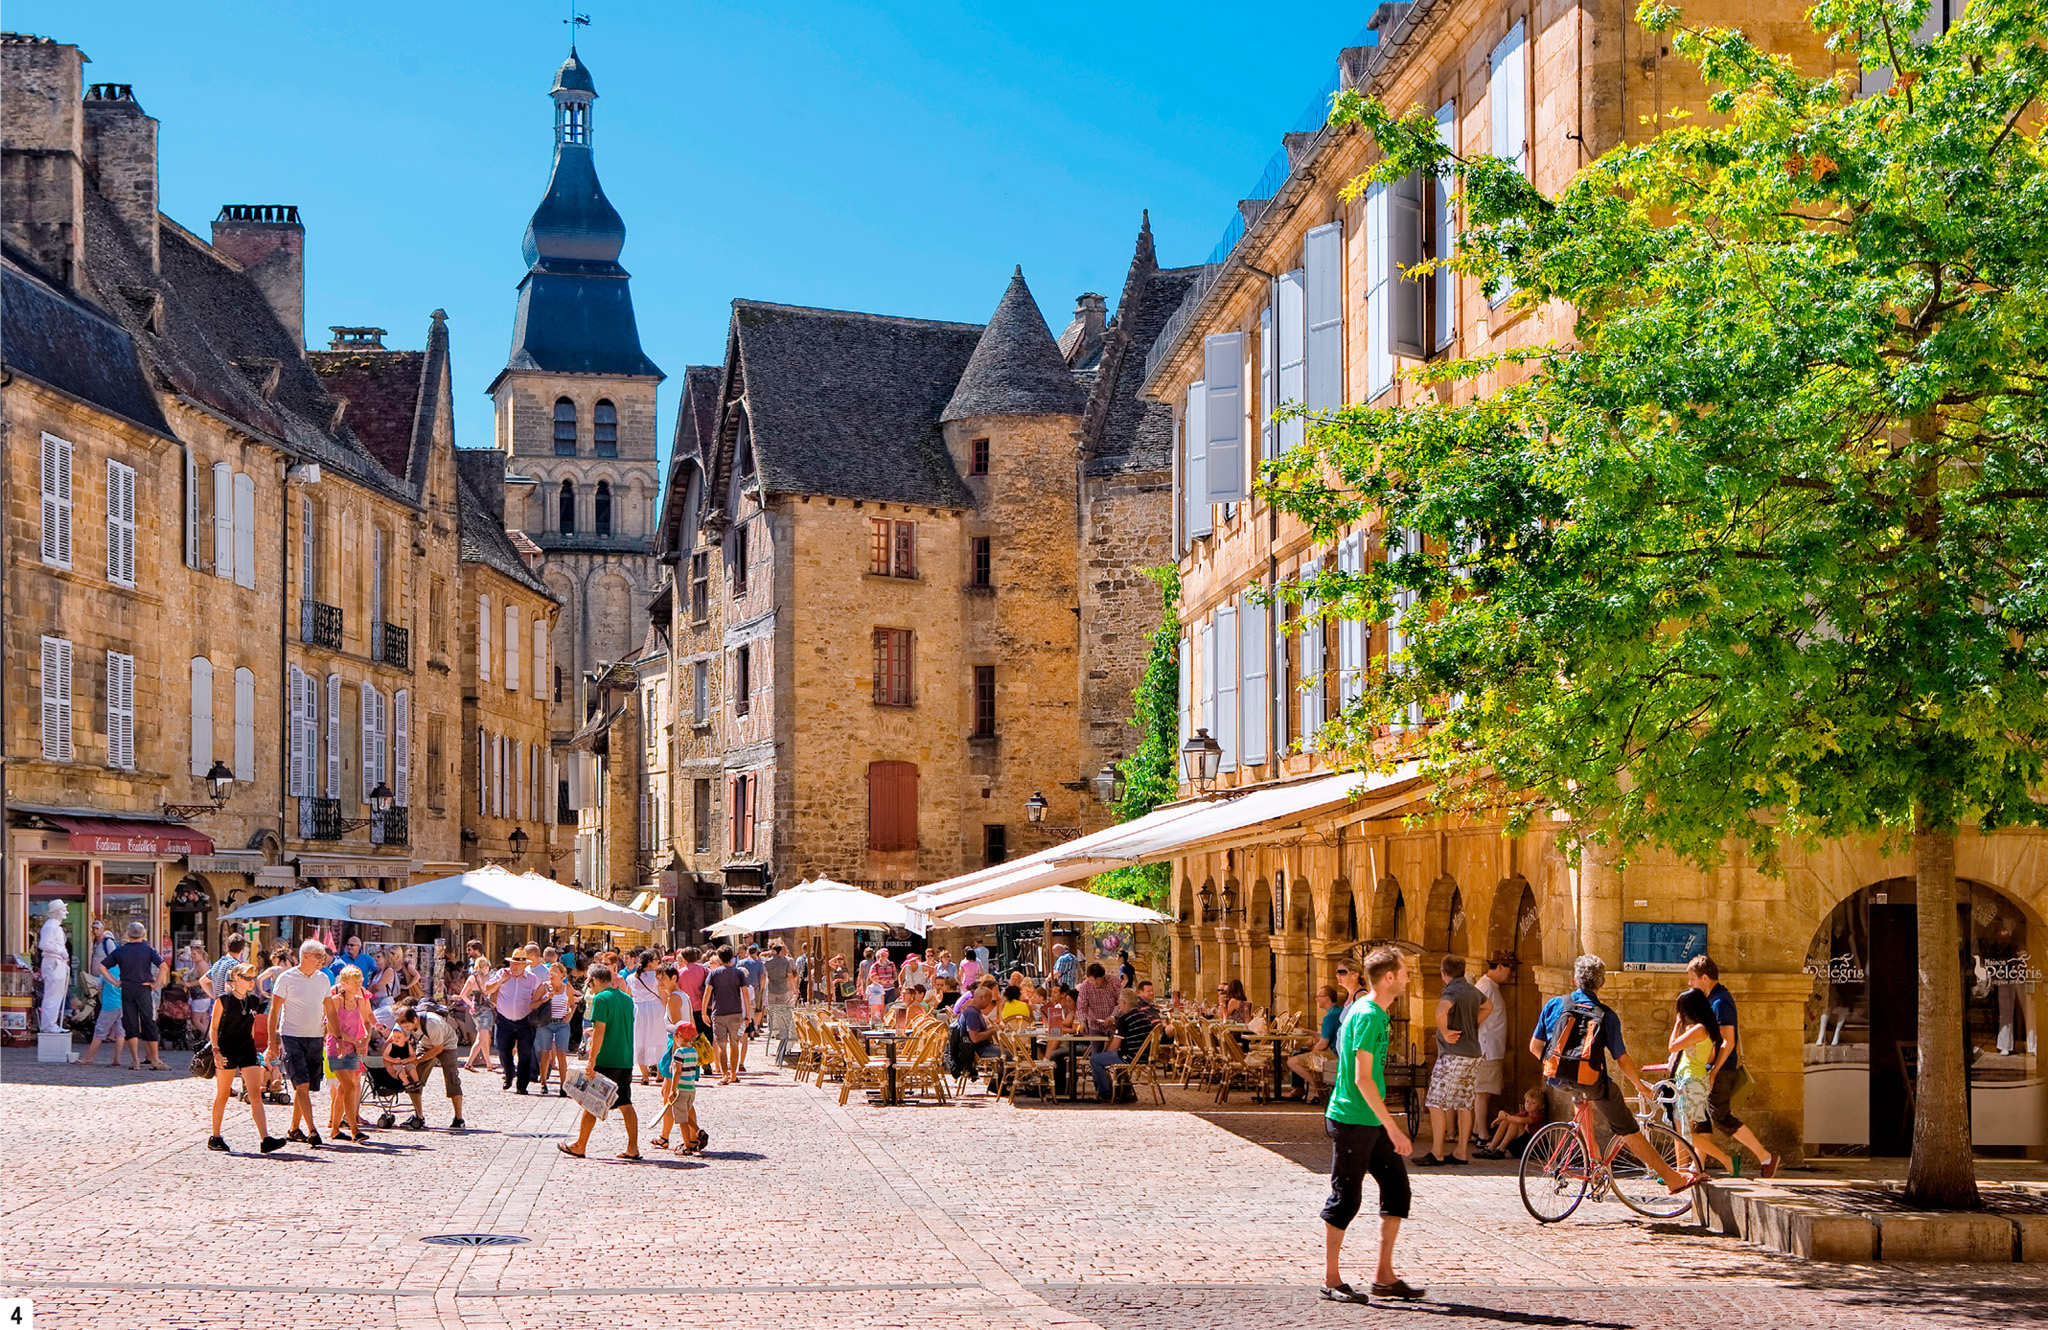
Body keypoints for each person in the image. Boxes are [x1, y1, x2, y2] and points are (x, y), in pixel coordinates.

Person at [1529, 955, 1698, 1196]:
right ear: (1602, 983)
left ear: (1575, 979)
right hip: (1591, 1081)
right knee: (1627, 1128)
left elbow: (1535, 1047)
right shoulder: (1606, 1015)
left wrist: (1559, 1066)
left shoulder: (1555, 1004)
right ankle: (1672, 1179)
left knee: (1579, 1094)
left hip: (1557, 1079)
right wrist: (1640, 1086)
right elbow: (1622, 1058)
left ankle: (1592, 1153)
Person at [1320, 946, 1423, 1306]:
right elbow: (1363, 1079)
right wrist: (1393, 1128)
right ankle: (1331, 1278)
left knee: (1397, 1190)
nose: (1409, 977)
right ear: (1390, 977)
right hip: (1352, 1120)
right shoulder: (1368, 1015)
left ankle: (1384, 1276)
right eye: (1405, 971)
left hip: (1369, 1121)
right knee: (1346, 1199)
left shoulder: (1374, 1012)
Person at [1686, 955, 1780, 1177]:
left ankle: (1765, 1156)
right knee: (1703, 1117)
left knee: (1721, 1117)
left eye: (1692, 979)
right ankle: (1696, 1165)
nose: (1690, 983)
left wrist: (1714, 1071)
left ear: (1705, 978)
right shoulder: (1713, 999)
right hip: (1712, 1069)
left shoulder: (1721, 1002)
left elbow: (1728, 1041)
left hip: (1721, 1069)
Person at [1641, 986, 1733, 1172]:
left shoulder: (1699, 1029)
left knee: (1686, 1133)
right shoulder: (1705, 1029)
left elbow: (1672, 1046)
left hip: (1691, 1082)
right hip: (1692, 1081)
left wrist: (1677, 1024)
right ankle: (1686, 1169)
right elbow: (1709, 1056)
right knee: (1683, 1129)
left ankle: (1724, 1159)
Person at [559, 963, 639, 1161]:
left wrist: (592, 1059)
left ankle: (580, 1145)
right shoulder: (627, 998)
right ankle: (633, 1147)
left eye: (589, 981)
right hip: (625, 1058)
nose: (588, 986)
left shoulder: (601, 999)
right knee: (625, 1103)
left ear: (594, 980)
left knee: (590, 1102)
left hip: (607, 1057)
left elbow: (601, 1031)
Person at [1416, 955, 1491, 1167]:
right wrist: (1473, 1023)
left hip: (1453, 1054)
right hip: (1473, 1054)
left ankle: (1437, 1152)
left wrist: (1445, 1031)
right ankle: (1460, 1153)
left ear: (1443, 973)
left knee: (1435, 1102)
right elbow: (1489, 1006)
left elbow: (1441, 1010)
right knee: (1464, 1102)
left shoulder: (1451, 991)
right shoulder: (1470, 989)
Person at [205, 963, 286, 1154]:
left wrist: (260, 1048)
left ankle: (265, 1139)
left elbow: (250, 1025)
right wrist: (216, 1051)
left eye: (253, 978)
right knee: (223, 1094)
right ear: (237, 979)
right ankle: (215, 1136)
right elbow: (214, 1027)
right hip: (226, 1050)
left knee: (256, 1095)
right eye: (248, 978)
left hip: (247, 1050)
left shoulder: (253, 1001)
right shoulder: (223, 1000)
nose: (252, 982)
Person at [268, 940, 333, 1147]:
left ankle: (294, 1129)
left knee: (303, 1087)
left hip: (315, 1038)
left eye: (323, 956)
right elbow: (274, 1011)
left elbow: (330, 1010)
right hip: (291, 1036)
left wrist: (337, 1037)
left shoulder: (323, 979)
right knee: (302, 1085)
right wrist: (273, 1041)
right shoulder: (286, 978)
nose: (322, 960)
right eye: (318, 956)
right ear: (305, 956)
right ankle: (313, 1130)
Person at [323, 965, 378, 1143]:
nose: (358, 985)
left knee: (343, 1090)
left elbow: (367, 1020)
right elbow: (331, 1027)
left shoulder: (360, 1000)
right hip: (337, 1048)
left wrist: (365, 1039)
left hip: (353, 1048)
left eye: (360, 982)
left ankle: (335, 1129)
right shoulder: (336, 1000)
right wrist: (353, 1040)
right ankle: (355, 1130)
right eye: (354, 982)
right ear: (344, 983)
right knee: (350, 1087)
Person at [390, 1002, 465, 1130]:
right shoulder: (403, 1023)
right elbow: (393, 1039)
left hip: (446, 1045)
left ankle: (459, 1119)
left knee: (452, 1079)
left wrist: (418, 1060)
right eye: (404, 1027)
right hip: (426, 1044)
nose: (406, 1030)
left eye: (408, 1027)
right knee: (413, 1078)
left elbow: (438, 1048)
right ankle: (418, 1116)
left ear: (414, 1019)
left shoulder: (432, 1023)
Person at [484, 950, 548, 1094]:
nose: (514, 966)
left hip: (525, 1021)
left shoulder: (533, 979)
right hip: (504, 1020)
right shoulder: (502, 973)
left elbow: (538, 995)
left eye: (518, 964)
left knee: (525, 1054)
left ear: (525, 965)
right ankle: (509, 1074)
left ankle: (522, 1085)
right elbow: (487, 989)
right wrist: (500, 981)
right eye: (513, 963)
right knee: (502, 1049)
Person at [106, 921, 167, 1070]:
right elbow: (164, 967)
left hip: (127, 988)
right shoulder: (148, 950)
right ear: (143, 934)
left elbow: (102, 966)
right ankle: (155, 1060)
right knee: (148, 1022)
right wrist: (156, 984)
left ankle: (135, 1060)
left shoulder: (121, 951)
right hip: (143, 988)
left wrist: (115, 982)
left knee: (130, 1023)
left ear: (128, 935)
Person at [1471, 953, 1513, 1143]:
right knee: (1482, 1092)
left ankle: (1476, 1129)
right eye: (1509, 968)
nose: (1510, 974)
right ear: (1500, 967)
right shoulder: (1486, 986)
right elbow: (1475, 1013)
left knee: (1484, 1092)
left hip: (1490, 1046)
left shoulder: (1489, 987)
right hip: (1486, 1047)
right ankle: (1482, 1134)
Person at [1091, 989, 1160, 1101]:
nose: (1118, 1006)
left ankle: (1106, 1093)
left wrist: (1104, 1054)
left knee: (1095, 1059)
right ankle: (1122, 1091)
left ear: (1123, 1002)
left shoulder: (1124, 1019)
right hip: (1145, 1056)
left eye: (1119, 1003)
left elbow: (1115, 1046)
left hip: (1130, 1057)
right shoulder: (1144, 1015)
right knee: (1109, 1056)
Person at [702, 945, 753, 1083]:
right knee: (734, 1044)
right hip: (735, 1012)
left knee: (721, 1045)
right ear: (732, 957)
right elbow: (745, 995)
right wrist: (747, 1013)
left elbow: (707, 993)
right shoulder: (739, 973)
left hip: (718, 1012)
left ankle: (724, 1074)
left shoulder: (713, 974)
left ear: (719, 957)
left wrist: (703, 1012)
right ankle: (733, 1074)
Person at [1287, 985, 1346, 1104]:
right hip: (1339, 1051)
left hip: (1334, 1054)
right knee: (1299, 1054)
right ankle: (1311, 1088)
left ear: (1327, 998)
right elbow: (1326, 1036)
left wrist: (1312, 1053)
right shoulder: (1337, 1012)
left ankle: (1319, 1087)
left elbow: (1323, 1043)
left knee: (1292, 1061)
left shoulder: (1331, 1016)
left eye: (1319, 996)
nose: (1316, 999)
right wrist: (1308, 1032)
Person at [534, 947, 577, 1096]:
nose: (551, 974)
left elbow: (572, 1005)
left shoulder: (567, 987)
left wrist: (569, 1015)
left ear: (562, 974)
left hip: (561, 1024)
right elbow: (532, 1004)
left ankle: (563, 1085)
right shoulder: (544, 987)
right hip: (546, 1023)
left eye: (554, 972)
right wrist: (545, 999)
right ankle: (543, 1083)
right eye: (549, 972)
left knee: (561, 1054)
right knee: (545, 1054)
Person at [623, 951, 666, 1085]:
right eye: (655, 959)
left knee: (640, 1040)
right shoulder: (658, 977)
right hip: (656, 1008)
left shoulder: (631, 978)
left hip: (638, 1010)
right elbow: (663, 996)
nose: (657, 962)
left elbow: (628, 996)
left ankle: (645, 1076)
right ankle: (660, 1073)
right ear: (650, 962)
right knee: (659, 1039)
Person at [1475, 1088, 1547, 1159]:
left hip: (1533, 1150)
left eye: (1533, 1103)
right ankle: (1491, 1148)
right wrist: (1502, 1118)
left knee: (1514, 1123)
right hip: (1521, 1147)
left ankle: (1501, 1149)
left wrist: (1504, 1116)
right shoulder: (1525, 1113)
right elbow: (1511, 1118)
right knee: (1508, 1121)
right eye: (1527, 1101)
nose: (1529, 1104)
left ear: (1541, 1106)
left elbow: (1520, 1121)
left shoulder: (1538, 1116)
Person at [36, 901, 70, 1034]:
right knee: (53, 995)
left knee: (57, 994)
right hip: (53, 963)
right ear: (56, 912)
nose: (66, 912)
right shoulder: (51, 926)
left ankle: (51, 1023)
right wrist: (59, 951)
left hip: (57, 962)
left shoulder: (55, 926)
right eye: (63, 910)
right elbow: (43, 944)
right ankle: (49, 1025)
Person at [761, 941, 798, 1060]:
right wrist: (795, 989)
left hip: (771, 990)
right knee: (783, 1012)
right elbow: (790, 976)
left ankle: (773, 1030)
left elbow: (759, 958)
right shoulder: (785, 962)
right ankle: (782, 1031)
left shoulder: (767, 962)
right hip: (782, 990)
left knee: (772, 1012)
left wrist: (767, 953)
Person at [460, 958, 496, 1073]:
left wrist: (470, 1004)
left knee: (484, 1037)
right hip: (485, 1010)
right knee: (481, 1038)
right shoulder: (489, 978)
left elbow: (463, 995)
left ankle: (488, 1063)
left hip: (475, 1010)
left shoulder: (472, 978)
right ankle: (469, 1063)